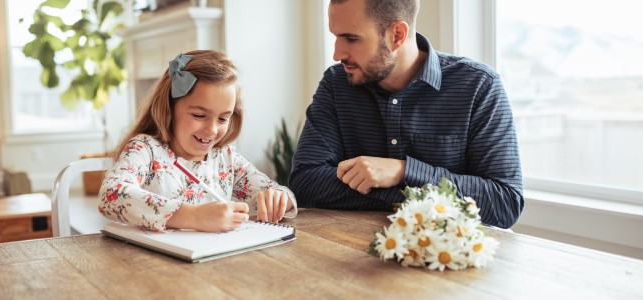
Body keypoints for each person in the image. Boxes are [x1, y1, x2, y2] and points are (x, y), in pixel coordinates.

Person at [289, 0, 523, 229]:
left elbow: (504, 203)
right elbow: (306, 182)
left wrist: (402, 171)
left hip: (453, 256)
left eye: (351, 38)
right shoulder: (336, 83)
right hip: (357, 254)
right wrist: (412, 190)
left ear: (397, 35)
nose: (337, 54)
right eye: (336, 36)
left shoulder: (479, 86)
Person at [99, 50, 297, 232]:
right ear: (170, 108)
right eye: (199, 115)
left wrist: (280, 199)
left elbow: (278, 192)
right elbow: (111, 195)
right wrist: (193, 216)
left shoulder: (225, 159)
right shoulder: (145, 150)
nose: (211, 130)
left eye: (222, 119)